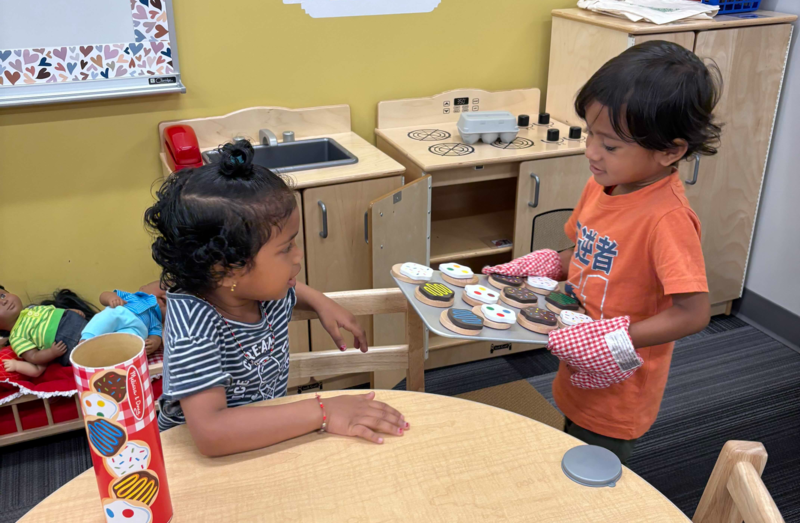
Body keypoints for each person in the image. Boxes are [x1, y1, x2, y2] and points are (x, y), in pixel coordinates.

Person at [484, 41, 721, 463]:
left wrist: (614, 337)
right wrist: (548, 265)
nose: (591, 151)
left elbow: (693, 312)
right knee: (571, 432)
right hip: (578, 355)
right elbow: (586, 249)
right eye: (590, 132)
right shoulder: (601, 184)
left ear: (670, 150)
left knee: (595, 464)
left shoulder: (667, 219)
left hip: (621, 377)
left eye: (610, 145)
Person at [145, 141, 408, 457]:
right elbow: (211, 433)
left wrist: (320, 300)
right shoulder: (194, 325)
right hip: (191, 460)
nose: (298, 257)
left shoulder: (256, 289)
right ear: (226, 271)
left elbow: (292, 288)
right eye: (286, 248)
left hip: (262, 438)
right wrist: (323, 411)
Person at [0, 285, 95, 378]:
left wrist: (68, 311)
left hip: (78, 322)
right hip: (65, 341)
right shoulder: (16, 337)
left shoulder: (31, 308)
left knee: (101, 334)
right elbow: (33, 356)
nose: (4, 301)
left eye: (2, 295)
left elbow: (52, 312)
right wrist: (51, 353)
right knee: (91, 355)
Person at [81, 282, 167, 355]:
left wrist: (153, 343)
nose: (168, 295)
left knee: (133, 339)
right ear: (143, 288)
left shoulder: (156, 321)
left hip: (137, 328)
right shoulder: (130, 296)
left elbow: (156, 336)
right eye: (165, 287)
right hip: (120, 312)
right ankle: (87, 339)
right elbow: (103, 296)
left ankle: (107, 355)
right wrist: (111, 297)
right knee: (106, 317)